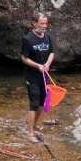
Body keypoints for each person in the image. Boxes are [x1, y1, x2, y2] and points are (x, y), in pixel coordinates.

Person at [20, 12, 54, 143]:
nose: (45, 26)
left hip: (44, 76)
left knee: (42, 103)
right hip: (32, 76)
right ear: (34, 23)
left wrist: (47, 64)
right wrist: (37, 65)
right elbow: (24, 58)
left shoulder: (48, 37)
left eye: (46, 23)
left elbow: (52, 52)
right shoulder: (28, 39)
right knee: (34, 104)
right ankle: (29, 134)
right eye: (42, 23)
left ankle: (33, 127)